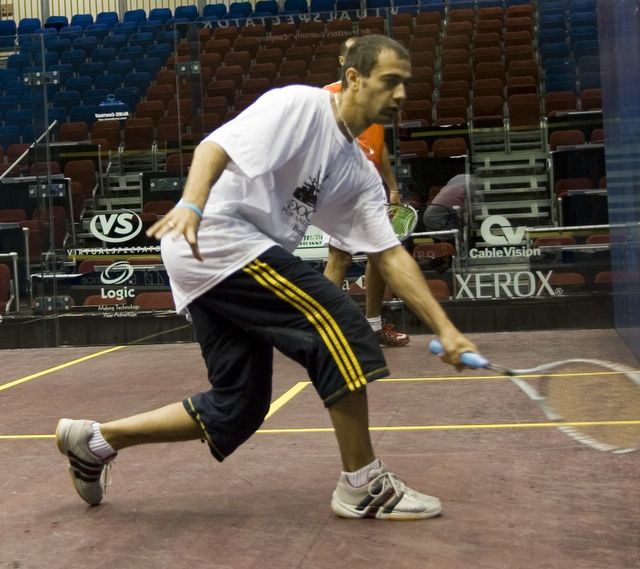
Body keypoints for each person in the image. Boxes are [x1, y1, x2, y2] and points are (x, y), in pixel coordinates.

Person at [56, 35, 478, 521]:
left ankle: (94, 441)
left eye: (404, 83)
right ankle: (362, 484)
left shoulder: (359, 173)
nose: (400, 94)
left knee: (239, 405)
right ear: (354, 79)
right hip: (216, 237)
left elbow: (389, 255)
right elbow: (215, 146)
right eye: (389, 81)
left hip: (217, 260)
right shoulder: (300, 106)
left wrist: (445, 329)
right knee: (339, 323)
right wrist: (192, 203)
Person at [323, 37, 410, 347]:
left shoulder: (375, 97)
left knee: (379, 255)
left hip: (370, 188)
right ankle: (326, 331)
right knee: (340, 257)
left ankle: (373, 325)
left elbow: (379, 147)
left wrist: (393, 187)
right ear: (342, 62)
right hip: (341, 187)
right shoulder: (327, 96)